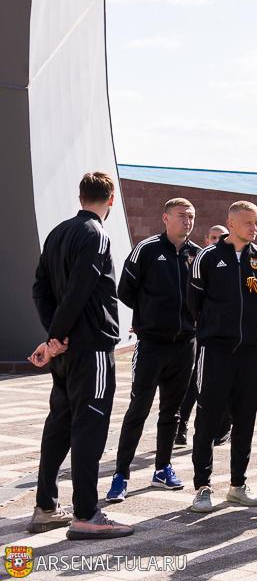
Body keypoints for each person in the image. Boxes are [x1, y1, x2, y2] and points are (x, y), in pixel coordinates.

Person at [28, 172, 132, 539]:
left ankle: (45, 506)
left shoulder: (58, 233)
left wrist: (53, 339)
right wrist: (56, 337)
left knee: (59, 424)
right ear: (111, 199)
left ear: (81, 196)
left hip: (66, 351)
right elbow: (80, 289)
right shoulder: (96, 234)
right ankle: (87, 514)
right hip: (91, 348)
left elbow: (40, 289)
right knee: (90, 427)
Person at [107, 198, 201, 504]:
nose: (187, 221)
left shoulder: (197, 254)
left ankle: (162, 468)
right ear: (165, 218)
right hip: (151, 345)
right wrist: (149, 316)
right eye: (181, 215)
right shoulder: (146, 250)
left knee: (172, 412)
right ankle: (121, 475)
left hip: (184, 344)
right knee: (139, 409)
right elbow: (125, 290)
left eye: (191, 216)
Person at [188, 201, 257, 512]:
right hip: (215, 352)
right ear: (231, 223)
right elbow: (193, 302)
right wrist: (214, 328)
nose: (254, 227)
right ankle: (202, 487)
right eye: (248, 222)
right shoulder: (208, 257)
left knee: (245, 419)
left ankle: (238, 485)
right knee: (208, 419)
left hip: (250, 353)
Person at [175, 223, 232, 447]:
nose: (217, 241)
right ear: (206, 239)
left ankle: (223, 427)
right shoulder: (199, 259)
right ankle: (181, 424)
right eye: (213, 237)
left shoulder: (232, 261)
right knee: (193, 380)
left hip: (224, 334)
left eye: (221, 237)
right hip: (197, 330)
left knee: (224, 381)